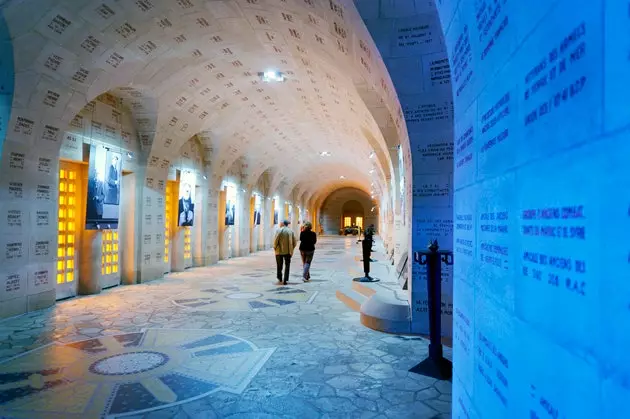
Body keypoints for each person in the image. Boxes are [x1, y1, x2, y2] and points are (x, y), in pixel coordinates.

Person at [273, 220, 296, 285]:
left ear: (283, 224)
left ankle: (279, 277)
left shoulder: (279, 230)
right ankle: (285, 279)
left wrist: (275, 247)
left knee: (279, 265)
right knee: (287, 265)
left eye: (280, 223)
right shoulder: (290, 231)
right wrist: (292, 248)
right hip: (288, 251)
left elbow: (275, 240)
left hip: (279, 251)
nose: (280, 224)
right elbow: (294, 242)